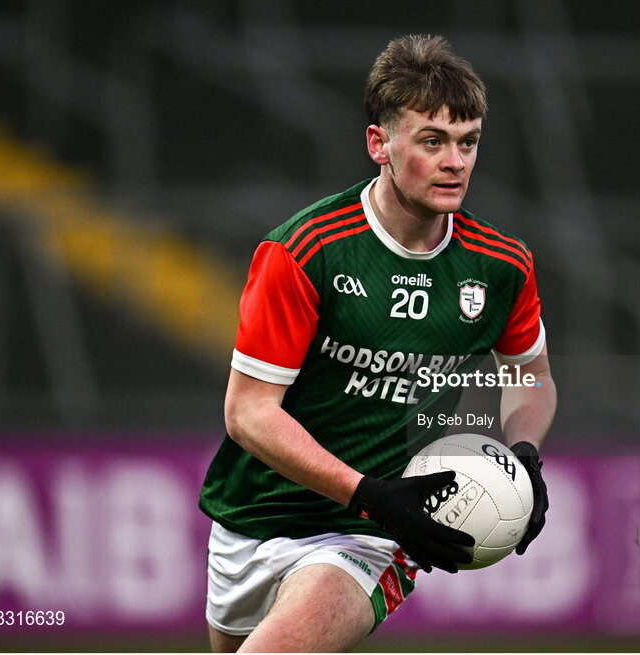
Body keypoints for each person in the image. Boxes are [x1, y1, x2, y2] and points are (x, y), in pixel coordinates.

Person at [197, 34, 555, 653]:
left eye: (468, 142)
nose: (456, 163)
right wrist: (370, 490)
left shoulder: (502, 266)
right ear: (378, 144)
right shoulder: (305, 251)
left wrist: (522, 450)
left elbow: (533, 376)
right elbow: (247, 412)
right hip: (252, 516)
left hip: (373, 534)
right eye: (432, 141)